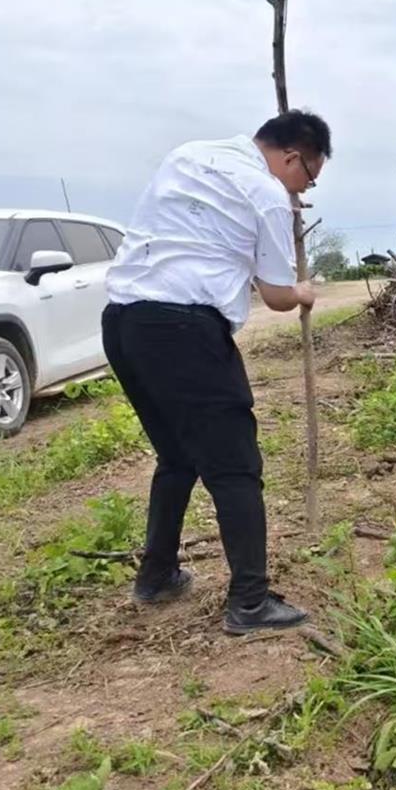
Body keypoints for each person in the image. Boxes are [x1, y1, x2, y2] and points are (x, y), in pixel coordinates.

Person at [102, 110, 330, 634]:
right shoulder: (267, 193)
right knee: (236, 468)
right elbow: (275, 295)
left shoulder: (189, 155)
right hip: (184, 329)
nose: (302, 189)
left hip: (122, 323)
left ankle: (156, 574)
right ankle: (249, 602)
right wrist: (304, 290)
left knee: (178, 457)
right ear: (293, 157)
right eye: (308, 178)